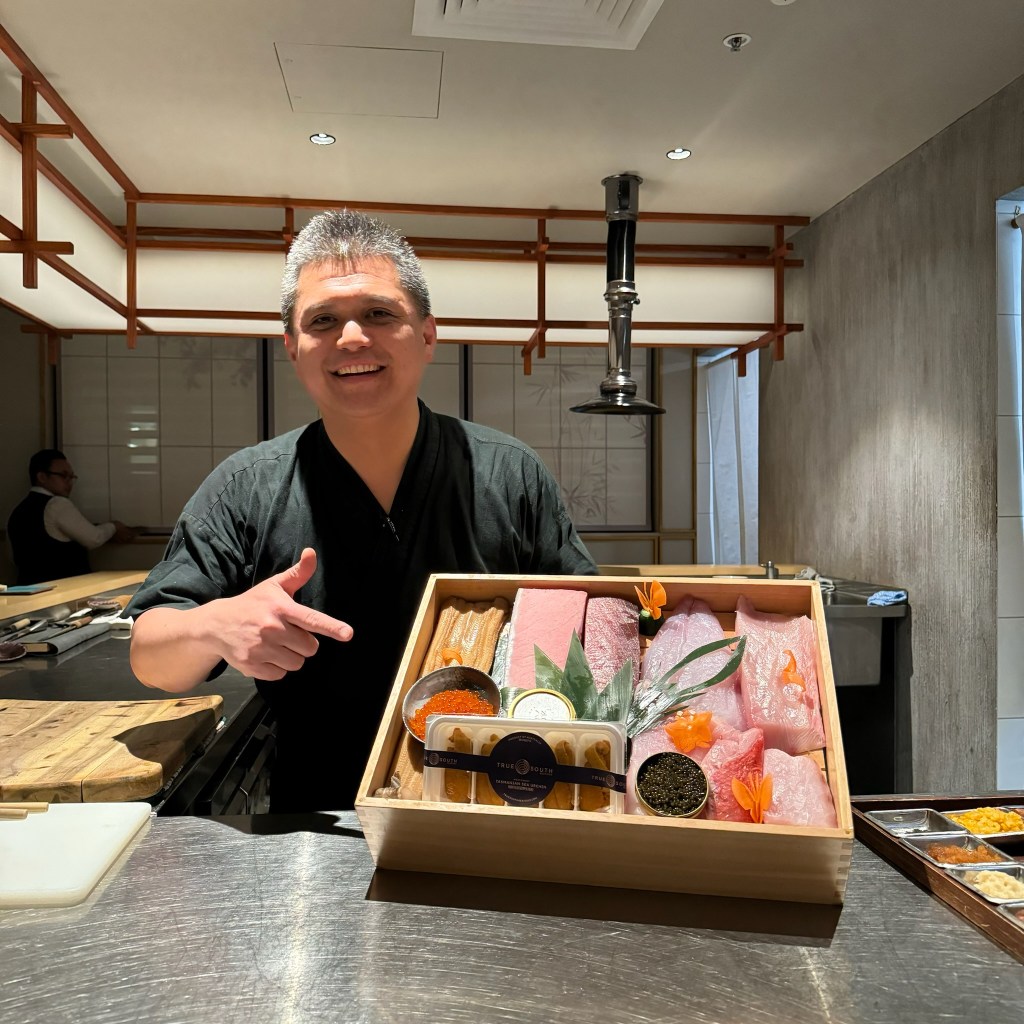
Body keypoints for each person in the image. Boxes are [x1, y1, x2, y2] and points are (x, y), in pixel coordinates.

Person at [128, 210, 597, 812]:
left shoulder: (508, 473)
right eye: (323, 321)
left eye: (379, 313)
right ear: (293, 347)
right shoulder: (245, 488)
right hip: (311, 811)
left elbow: (584, 627)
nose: (352, 338)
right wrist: (216, 624)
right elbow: (150, 656)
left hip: (494, 802)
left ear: (427, 334)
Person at [7, 449, 137, 585]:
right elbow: (94, 538)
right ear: (42, 477)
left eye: (71, 477)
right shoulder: (57, 504)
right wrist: (114, 526)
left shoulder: (16, 511)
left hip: (26, 590)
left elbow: (11, 557)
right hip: (60, 592)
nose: (69, 482)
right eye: (63, 476)